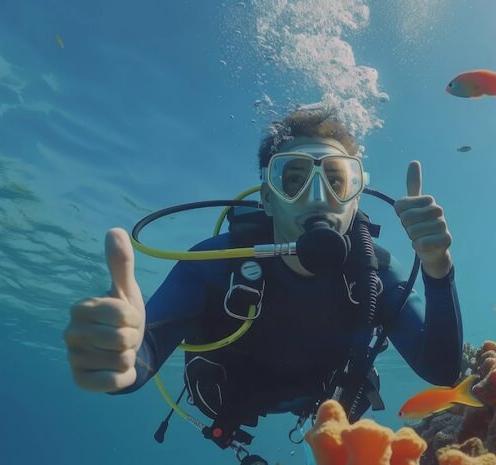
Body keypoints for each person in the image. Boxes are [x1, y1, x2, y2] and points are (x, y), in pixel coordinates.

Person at [63, 107, 463, 453]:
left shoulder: (374, 274)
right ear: (268, 198)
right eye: (295, 179)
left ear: (354, 197)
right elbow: (138, 356)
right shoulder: (214, 264)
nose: (318, 196)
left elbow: (442, 370)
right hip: (229, 401)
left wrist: (437, 268)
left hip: (322, 403)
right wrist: (119, 356)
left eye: (337, 181)